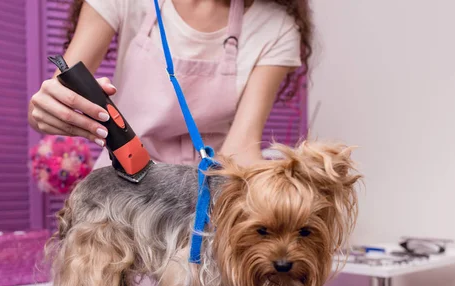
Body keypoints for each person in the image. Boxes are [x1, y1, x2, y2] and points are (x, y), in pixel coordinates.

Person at [28, 0, 312, 167]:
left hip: (205, 188)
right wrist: (47, 108)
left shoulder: (277, 25)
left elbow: (242, 146)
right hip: (121, 182)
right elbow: (59, 93)